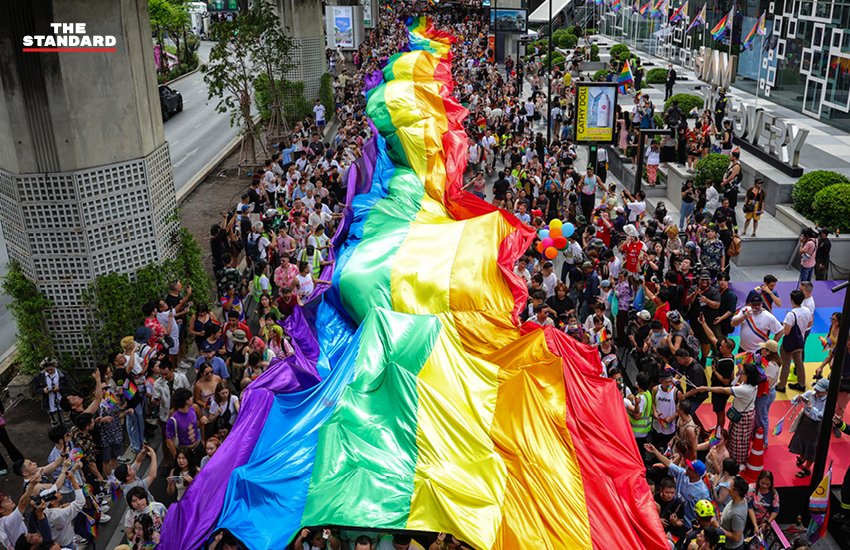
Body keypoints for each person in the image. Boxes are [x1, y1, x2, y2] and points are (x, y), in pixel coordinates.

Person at [697, 363, 760, 465]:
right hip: (746, 415)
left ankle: (738, 463)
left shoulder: (744, 389)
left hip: (742, 417)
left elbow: (723, 390)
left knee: (738, 441)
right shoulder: (753, 385)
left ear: (748, 375)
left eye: (741, 373)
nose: (739, 375)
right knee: (740, 439)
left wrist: (707, 388)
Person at [644, 443, 710, 528]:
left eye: (690, 468)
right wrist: (655, 451)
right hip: (671, 514)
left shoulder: (702, 492)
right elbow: (669, 464)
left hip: (687, 524)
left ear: (696, 475)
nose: (687, 468)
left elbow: (707, 512)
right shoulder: (683, 474)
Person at [788, 378, 830, 478]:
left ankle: (807, 469)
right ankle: (802, 457)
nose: (817, 391)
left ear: (826, 391)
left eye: (821, 390)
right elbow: (793, 402)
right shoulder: (810, 393)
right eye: (817, 389)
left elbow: (820, 416)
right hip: (804, 423)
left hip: (815, 427)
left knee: (812, 447)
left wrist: (811, 408)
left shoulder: (827, 402)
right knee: (801, 442)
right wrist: (797, 398)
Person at [778, 289, 812, 392]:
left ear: (791, 300)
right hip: (800, 341)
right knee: (799, 364)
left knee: (786, 364)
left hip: (789, 344)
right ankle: (801, 385)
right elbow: (809, 324)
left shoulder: (790, 315)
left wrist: (783, 325)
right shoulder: (807, 310)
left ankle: (781, 386)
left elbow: (787, 332)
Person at [31, 358, 71, 428]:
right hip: (50, 403)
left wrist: (59, 389)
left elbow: (68, 387)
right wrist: (43, 390)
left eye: (51, 370)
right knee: (55, 422)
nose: (49, 371)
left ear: (54, 366)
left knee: (67, 420)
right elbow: (36, 389)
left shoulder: (62, 374)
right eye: (47, 370)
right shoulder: (40, 376)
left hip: (62, 401)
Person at [718, 476, 749, 550]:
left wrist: (718, 528)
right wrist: (719, 514)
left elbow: (736, 537)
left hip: (730, 547)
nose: (728, 487)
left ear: (736, 493)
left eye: (730, 486)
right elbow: (729, 514)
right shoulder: (739, 500)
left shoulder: (737, 514)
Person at [747, 470, 779, 536]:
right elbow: (750, 507)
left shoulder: (774, 493)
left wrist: (767, 523)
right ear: (758, 480)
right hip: (750, 519)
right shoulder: (751, 489)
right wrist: (755, 525)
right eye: (762, 483)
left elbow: (775, 510)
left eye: (767, 484)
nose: (764, 486)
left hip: (764, 523)